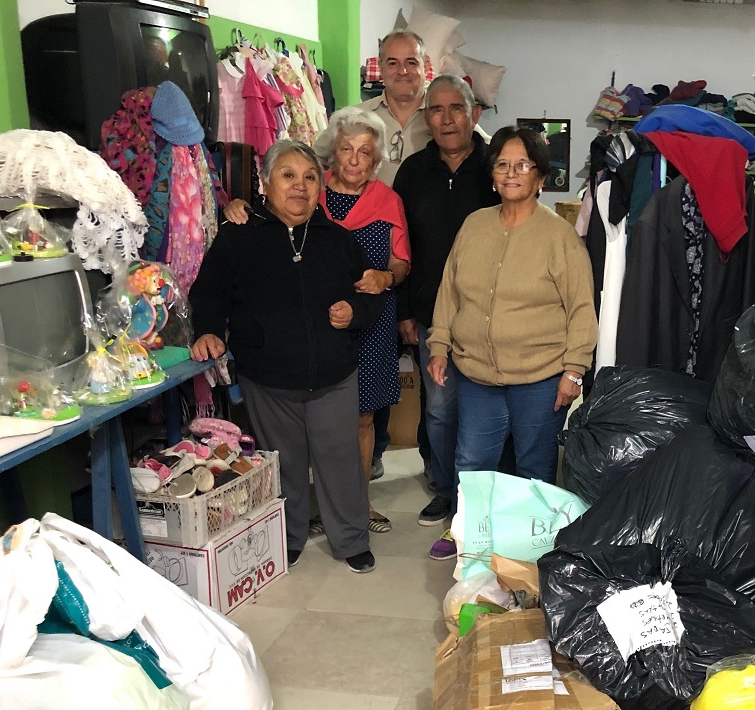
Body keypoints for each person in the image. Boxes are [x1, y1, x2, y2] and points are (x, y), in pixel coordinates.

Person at [190, 139, 380, 573]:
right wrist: (207, 331)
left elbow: (372, 295)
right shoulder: (238, 236)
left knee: (340, 461)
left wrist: (355, 312)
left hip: (333, 376)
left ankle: (351, 539)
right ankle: (288, 537)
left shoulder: (338, 240)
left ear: (320, 188)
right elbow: (209, 292)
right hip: (268, 378)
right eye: (288, 176)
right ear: (265, 183)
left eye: (310, 177)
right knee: (284, 463)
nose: (300, 186)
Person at [225, 106, 408, 535]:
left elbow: (401, 262)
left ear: (376, 159)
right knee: (309, 425)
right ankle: (311, 508)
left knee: (359, 420)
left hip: (368, 318)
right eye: (346, 149)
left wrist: (384, 277)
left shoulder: (388, 200)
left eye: (365, 152)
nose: (355, 160)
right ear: (332, 154)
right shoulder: (312, 191)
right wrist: (237, 205)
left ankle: (355, 506)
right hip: (314, 326)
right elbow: (271, 215)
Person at [428, 126, 597, 505]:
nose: (511, 173)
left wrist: (574, 370)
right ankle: (470, 534)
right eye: (503, 165)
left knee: (534, 469)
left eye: (523, 165)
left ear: (540, 177)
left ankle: (530, 539)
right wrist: (439, 345)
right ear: (492, 176)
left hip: (540, 378)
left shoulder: (560, 237)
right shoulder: (474, 225)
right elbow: (449, 291)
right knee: (471, 465)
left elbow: (582, 308)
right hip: (477, 377)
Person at [393, 74, 498, 560]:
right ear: (426, 117)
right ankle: (445, 487)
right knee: (438, 408)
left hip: (489, 316)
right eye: (437, 109)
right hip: (431, 314)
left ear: (474, 113)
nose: (448, 118)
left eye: (457, 108)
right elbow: (401, 248)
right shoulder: (412, 172)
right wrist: (406, 311)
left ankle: (484, 492)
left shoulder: (495, 167)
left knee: (486, 407)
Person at [358, 30, 429, 188]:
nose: (402, 71)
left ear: (426, 66)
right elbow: (316, 164)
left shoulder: (445, 120)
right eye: (392, 63)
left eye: (411, 62)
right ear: (380, 68)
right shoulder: (355, 118)